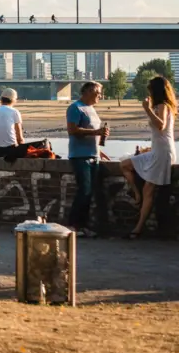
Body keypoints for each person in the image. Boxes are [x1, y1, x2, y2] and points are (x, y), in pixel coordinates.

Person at [118, 76, 176, 239]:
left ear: (156, 90)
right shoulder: (159, 106)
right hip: (157, 150)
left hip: (163, 152)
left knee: (149, 189)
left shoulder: (163, 106)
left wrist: (146, 108)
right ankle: (137, 195)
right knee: (125, 165)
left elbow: (160, 125)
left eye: (150, 88)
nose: (148, 91)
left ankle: (138, 229)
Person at [66, 81, 110, 237]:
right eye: (98, 93)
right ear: (88, 91)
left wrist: (100, 149)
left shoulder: (91, 109)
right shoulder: (75, 108)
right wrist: (97, 132)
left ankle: (83, 226)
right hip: (80, 156)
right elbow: (72, 130)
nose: (100, 96)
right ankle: (73, 226)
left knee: (90, 192)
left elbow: (94, 132)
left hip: (93, 155)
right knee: (83, 191)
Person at [0, 89, 29, 159]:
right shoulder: (14, 112)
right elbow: (19, 138)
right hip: (10, 150)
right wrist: (23, 149)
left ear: (1, 99)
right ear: (13, 100)